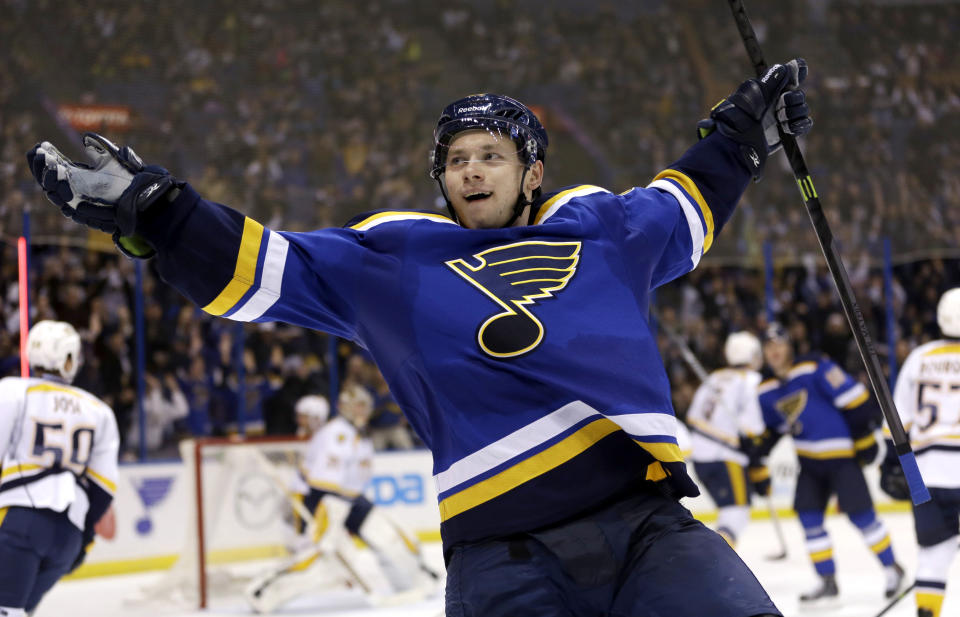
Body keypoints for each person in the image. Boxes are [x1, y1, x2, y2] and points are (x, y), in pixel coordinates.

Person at [26, 58, 813, 616]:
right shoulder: (393, 255)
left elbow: (689, 195)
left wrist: (748, 132)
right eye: (457, 159)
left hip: (649, 530)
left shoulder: (602, 226)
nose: (472, 170)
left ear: (531, 172)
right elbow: (266, 266)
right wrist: (156, 212)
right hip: (505, 555)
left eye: (492, 156)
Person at [247, 384, 435, 611]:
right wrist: (332, 527)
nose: (362, 412)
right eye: (357, 407)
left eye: (365, 407)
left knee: (389, 535)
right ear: (345, 408)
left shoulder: (359, 433)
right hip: (327, 502)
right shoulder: (336, 433)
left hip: (350, 499)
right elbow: (322, 485)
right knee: (322, 562)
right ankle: (264, 591)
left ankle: (415, 580)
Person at [757, 322, 905, 604]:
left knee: (862, 517)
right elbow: (775, 429)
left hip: (841, 458)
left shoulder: (815, 367)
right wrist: (757, 451)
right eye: (768, 347)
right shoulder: (765, 390)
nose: (774, 351)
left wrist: (863, 438)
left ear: (790, 345)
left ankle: (892, 568)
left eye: (778, 344)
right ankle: (827, 580)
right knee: (809, 519)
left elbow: (857, 400)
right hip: (809, 464)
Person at [0, 320, 120, 616]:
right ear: (68, 360)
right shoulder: (99, 410)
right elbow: (103, 490)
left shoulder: (12, 391)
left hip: (19, 521)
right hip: (68, 535)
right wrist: (84, 541)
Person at [883, 287, 960, 617]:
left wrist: (890, 464)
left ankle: (928, 610)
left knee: (932, 556)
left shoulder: (920, 357)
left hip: (925, 476)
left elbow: (897, 423)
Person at [687, 331, 768, 547]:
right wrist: (759, 464)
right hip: (726, 457)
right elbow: (753, 429)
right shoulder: (751, 380)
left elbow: (693, 417)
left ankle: (714, 557)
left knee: (728, 513)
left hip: (701, 458)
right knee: (736, 514)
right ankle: (713, 560)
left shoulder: (714, 378)